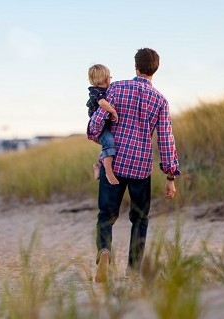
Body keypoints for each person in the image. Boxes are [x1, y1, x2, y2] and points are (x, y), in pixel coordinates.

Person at [87, 48, 180, 283]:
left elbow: (96, 123)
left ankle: (105, 251)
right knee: (140, 218)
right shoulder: (160, 100)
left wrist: (96, 133)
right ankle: (133, 270)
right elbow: (166, 139)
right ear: (155, 69)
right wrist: (170, 177)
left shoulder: (116, 88)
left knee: (106, 216)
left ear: (135, 66)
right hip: (140, 167)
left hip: (115, 163)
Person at [86, 64, 119, 185]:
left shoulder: (104, 90)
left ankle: (99, 166)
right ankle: (108, 172)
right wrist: (113, 111)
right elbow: (102, 103)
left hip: (104, 125)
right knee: (109, 141)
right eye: (110, 77)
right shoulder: (97, 92)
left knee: (108, 145)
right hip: (99, 127)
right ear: (106, 78)